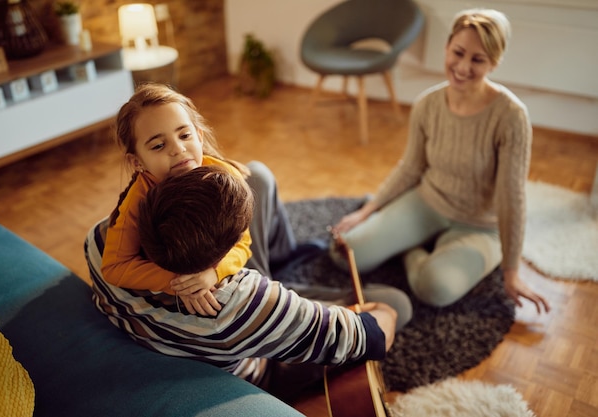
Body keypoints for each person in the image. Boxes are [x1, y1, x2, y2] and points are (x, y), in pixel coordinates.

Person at [88, 164, 410, 400]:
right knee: (398, 302)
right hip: (260, 361)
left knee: (256, 175)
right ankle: (291, 288)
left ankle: (284, 262)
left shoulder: (101, 242)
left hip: (208, 331)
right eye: (242, 238)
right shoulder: (240, 305)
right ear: (224, 258)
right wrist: (382, 310)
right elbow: (369, 336)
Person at [329, 8, 550, 314]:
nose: (462, 67)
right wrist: (368, 211)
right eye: (458, 52)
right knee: (345, 254)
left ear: (494, 62)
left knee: (435, 287)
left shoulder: (511, 117)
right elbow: (411, 166)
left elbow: (512, 198)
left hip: (480, 226)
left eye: (478, 59)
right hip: (428, 202)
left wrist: (511, 272)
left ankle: (412, 249)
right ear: (446, 48)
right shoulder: (427, 105)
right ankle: (410, 235)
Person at [101, 83, 321, 317]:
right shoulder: (138, 200)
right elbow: (114, 267)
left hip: (236, 257)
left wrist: (215, 273)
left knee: (259, 178)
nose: (178, 149)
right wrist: (181, 282)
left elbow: (243, 244)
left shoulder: (227, 180)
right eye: (158, 145)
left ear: (199, 135)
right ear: (137, 162)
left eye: (185, 135)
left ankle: (275, 276)